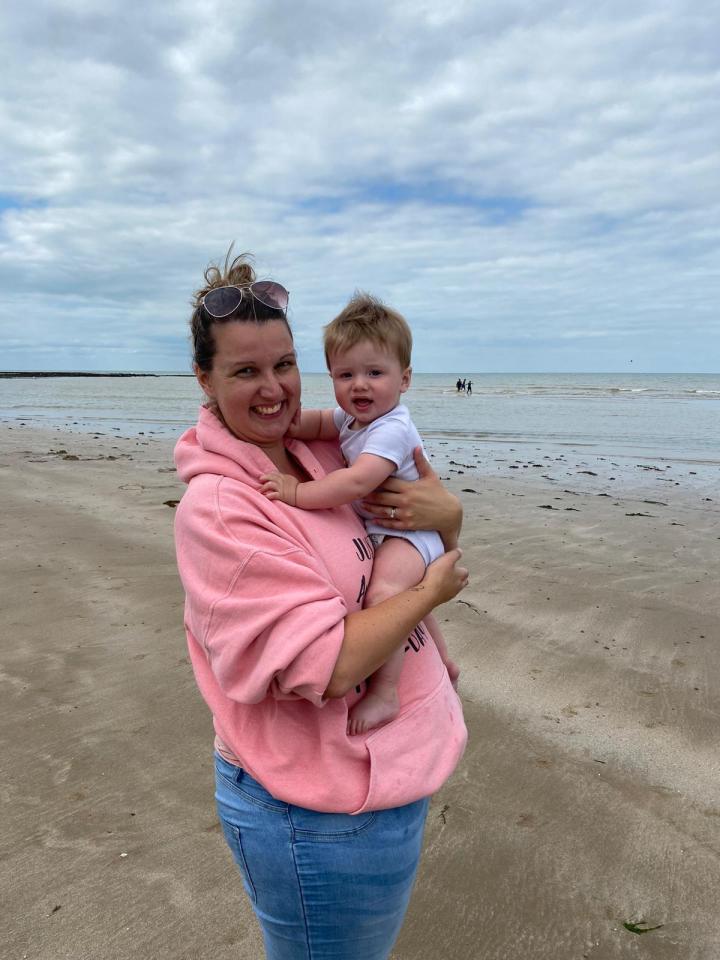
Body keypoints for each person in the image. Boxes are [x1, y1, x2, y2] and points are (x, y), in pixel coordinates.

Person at [173, 250, 469, 960]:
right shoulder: (220, 510)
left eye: (284, 363)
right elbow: (329, 665)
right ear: (205, 380)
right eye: (245, 371)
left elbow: (411, 526)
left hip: (387, 776)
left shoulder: (317, 454)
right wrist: (434, 588)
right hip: (319, 810)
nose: (273, 389)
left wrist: (451, 517)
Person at [260, 294, 459, 736]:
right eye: (345, 375)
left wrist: (298, 492)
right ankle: (445, 663)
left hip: (413, 533)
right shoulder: (354, 420)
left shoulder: (391, 429)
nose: (359, 386)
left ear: (404, 379)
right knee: (415, 603)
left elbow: (355, 482)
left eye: (375, 373)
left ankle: (385, 693)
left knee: (388, 593)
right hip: (392, 530)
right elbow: (320, 423)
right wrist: (290, 422)